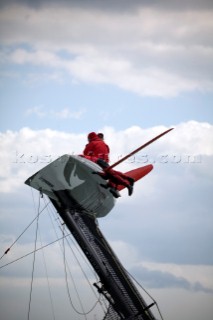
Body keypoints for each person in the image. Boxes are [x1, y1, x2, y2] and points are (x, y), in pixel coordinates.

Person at [82, 132, 134, 198]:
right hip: (104, 161)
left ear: (90, 138)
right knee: (110, 173)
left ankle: (125, 184)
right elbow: (107, 152)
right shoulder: (104, 144)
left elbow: (85, 153)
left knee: (110, 174)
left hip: (98, 160)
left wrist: (88, 149)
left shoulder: (92, 143)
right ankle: (114, 186)